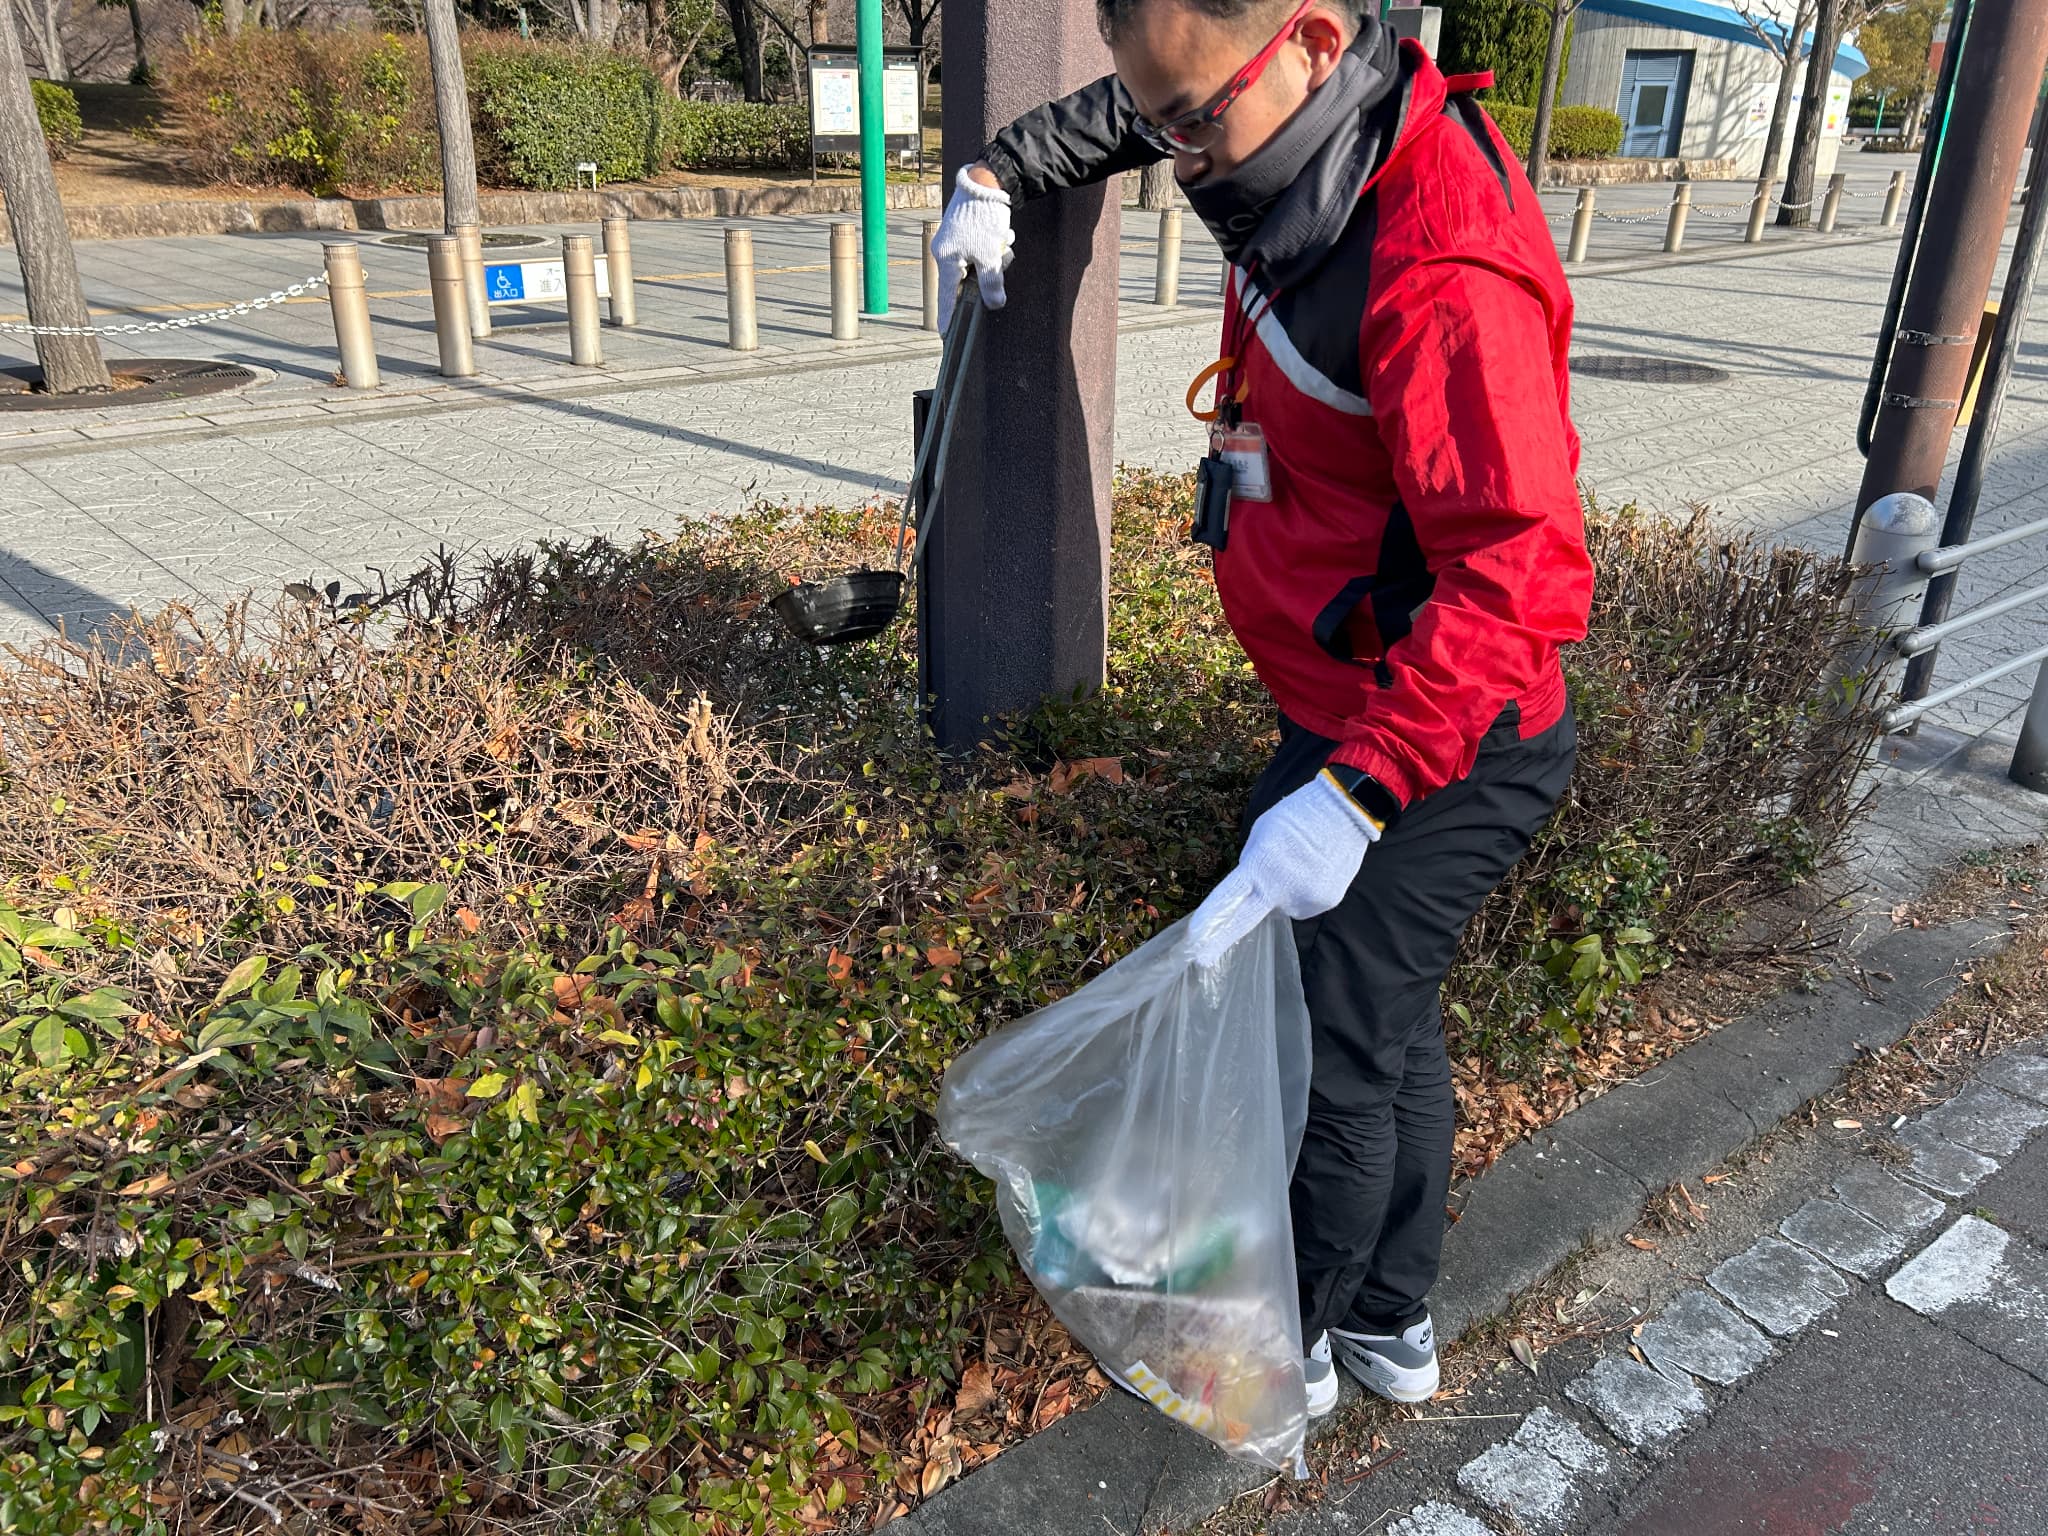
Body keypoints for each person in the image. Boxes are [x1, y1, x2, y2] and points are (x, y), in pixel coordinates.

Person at [930, 0, 1594, 1417]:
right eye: (1157, 121)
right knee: (1387, 1020)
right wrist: (995, 174)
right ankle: (1393, 1318)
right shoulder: (1305, 130)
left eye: (1194, 124)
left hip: (1443, 732)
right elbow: (1142, 103)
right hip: (1352, 700)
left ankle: (1291, 1346)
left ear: (1309, 40)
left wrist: (1357, 795)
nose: (1177, 160)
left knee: (1334, 1055)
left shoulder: (1436, 260)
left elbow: (1522, 573)